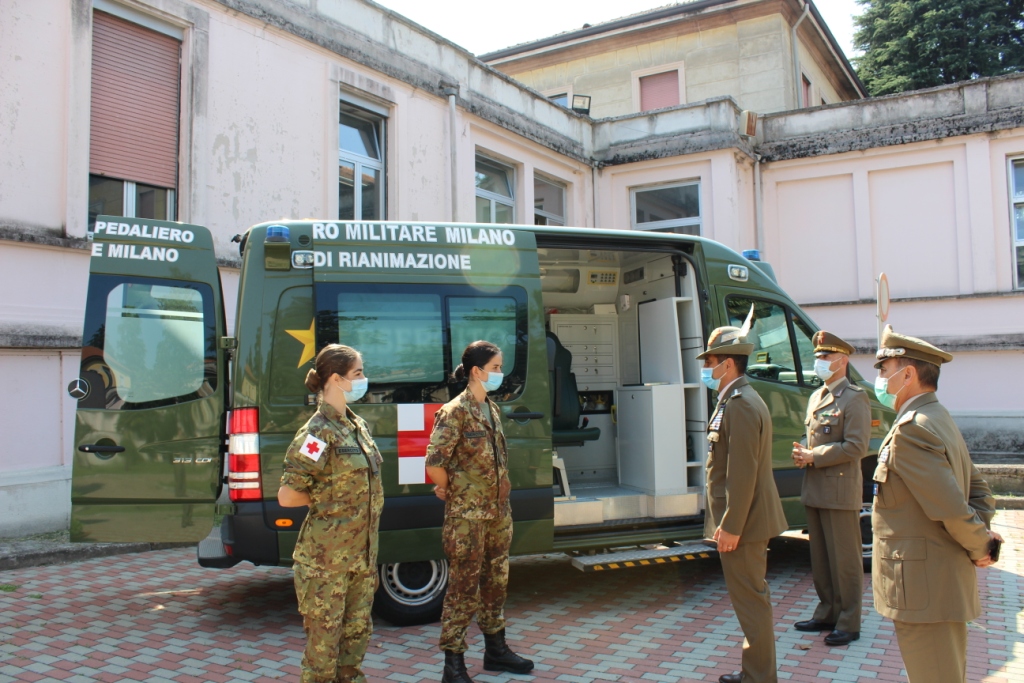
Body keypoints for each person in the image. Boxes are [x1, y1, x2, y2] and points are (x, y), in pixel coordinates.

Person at [871, 325, 1003, 683]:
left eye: (883, 370)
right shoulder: (936, 416)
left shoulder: (913, 428)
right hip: (933, 582)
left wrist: (982, 547)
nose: (879, 379)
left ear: (908, 374)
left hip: (923, 586)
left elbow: (950, 507)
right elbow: (979, 492)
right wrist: (982, 536)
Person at [425, 341, 534, 683]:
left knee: (496, 581)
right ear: (477, 371)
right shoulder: (455, 411)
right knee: (463, 588)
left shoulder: (492, 409)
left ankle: (495, 650)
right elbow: (434, 463)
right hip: (467, 518)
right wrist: (451, 488)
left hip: (498, 513)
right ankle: (453, 664)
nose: (501, 374)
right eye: (497, 367)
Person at [278, 344, 384, 683]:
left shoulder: (356, 426)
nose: (364, 380)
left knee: (353, 650)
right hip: (326, 564)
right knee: (323, 658)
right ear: (337, 379)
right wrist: (328, 499)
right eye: (358, 374)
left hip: (360, 560)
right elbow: (288, 494)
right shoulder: (317, 431)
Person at [698, 320, 787, 683]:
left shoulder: (742, 404)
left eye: (711, 361)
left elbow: (742, 472)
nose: (707, 369)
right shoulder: (734, 400)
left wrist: (731, 526)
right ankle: (755, 671)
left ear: (729, 364)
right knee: (749, 602)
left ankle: (760, 677)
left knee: (751, 602)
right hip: (742, 522)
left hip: (744, 525)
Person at [790, 331, 870, 646]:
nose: (819, 362)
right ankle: (827, 612)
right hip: (816, 488)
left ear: (842, 360)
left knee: (845, 560)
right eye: (818, 357)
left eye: (825, 357)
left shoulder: (855, 397)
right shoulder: (817, 395)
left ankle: (849, 621)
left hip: (839, 491)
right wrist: (803, 455)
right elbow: (815, 437)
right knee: (821, 558)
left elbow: (857, 446)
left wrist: (815, 456)